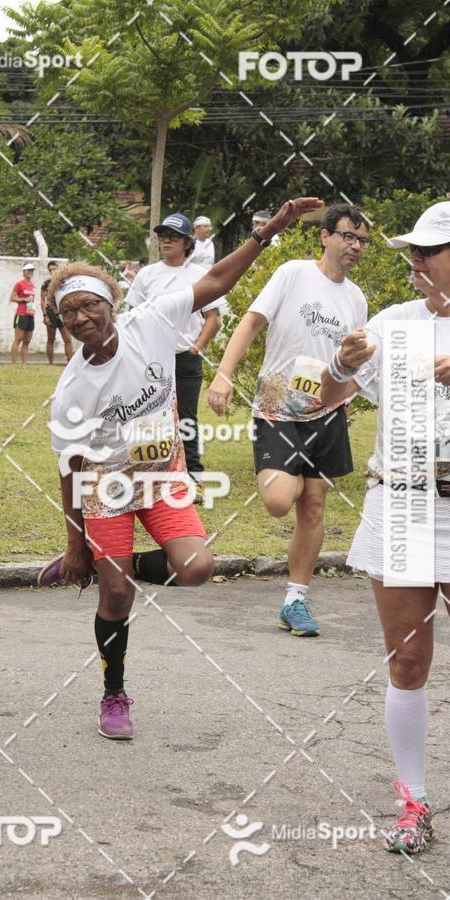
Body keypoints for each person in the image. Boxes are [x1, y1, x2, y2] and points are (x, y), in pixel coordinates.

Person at [38, 196, 322, 741]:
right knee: (117, 597)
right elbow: (70, 469)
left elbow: (216, 280)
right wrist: (75, 543)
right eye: (68, 312)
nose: (80, 318)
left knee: (195, 568)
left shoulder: (153, 321)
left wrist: (273, 229)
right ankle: (114, 690)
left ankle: (110, 566)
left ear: (110, 304)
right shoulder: (72, 389)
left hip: (163, 473)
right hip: (107, 483)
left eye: (88, 306)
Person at [320, 200, 450, 855]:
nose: (416, 260)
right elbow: (326, 393)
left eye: (431, 249)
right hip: (402, 508)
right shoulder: (393, 323)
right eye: (413, 251)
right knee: (407, 662)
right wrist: (342, 364)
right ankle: (413, 802)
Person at [207, 204, 370, 637]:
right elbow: (252, 322)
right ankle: (291, 473)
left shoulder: (356, 298)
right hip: (280, 401)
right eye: (348, 236)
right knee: (280, 502)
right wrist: (224, 375)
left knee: (314, 505)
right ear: (325, 236)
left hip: (328, 410)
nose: (355, 246)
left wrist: (346, 399)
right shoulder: (293, 273)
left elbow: (351, 361)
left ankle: (295, 599)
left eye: (362, 240)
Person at [127, 213, 223, 496]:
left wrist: (196, 348)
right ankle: (147, 476)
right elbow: (133, 316)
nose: (166, 240)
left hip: (185, 358)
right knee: (147, 414)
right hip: (152, 358)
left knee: (186, 418)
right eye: (162, 236)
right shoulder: (147, 275)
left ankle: (193, 477)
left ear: (187, 243)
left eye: (173, 236)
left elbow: (213, 319)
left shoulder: (199, 275)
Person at [41, 261, 73, 364]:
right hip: (51, 312)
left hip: (63, 312)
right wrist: (45, 315)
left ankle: (70, 362)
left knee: (67, 338)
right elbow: (42, 301)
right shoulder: (46, 284)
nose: (53, 271)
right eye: (50, 269)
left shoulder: (64, 282)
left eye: (54, 268)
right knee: (51, 338)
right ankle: (51, 363)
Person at [10, 263, 37, 365]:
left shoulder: (33, 285)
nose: (31, 272)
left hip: (31, 314)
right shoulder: (19, 284)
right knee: (18, 339)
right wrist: (24, 299)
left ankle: (24, 364)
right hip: (21, 314)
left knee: (27, 341)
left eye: (32, 270)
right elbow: (12, 297)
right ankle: (14, 364)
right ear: (24, 272)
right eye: (29, 270)